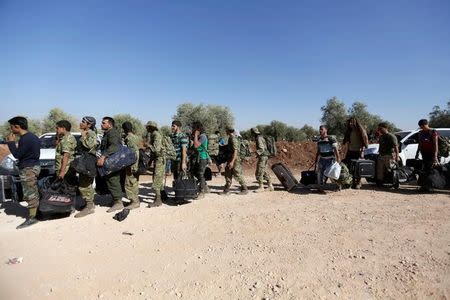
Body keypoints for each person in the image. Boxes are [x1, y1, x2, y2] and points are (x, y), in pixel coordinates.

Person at [6, 116, 41, 229]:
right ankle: (35, 213)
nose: (11, 130)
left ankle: (32, 218)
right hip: (32, 166)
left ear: (17, 126)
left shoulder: (25, 138)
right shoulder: (32, 137)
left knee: (30, 193)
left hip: (28, 168)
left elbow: (17, 155)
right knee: (32, 191)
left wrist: (11, 143)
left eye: (12, 127)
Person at [97, 117, 124, 212]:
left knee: (113, 180)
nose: (101, 124)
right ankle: (115, 200)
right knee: (110, 180)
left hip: (113, 161)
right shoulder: (108, 133)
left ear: (110, 124)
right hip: (110, 160)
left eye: (104, 123)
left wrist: (103, 156)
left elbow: (114, 146)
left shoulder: (113, 133)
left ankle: (118, 202)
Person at [74, 116, 98, 218]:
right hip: (85, 159)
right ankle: (89, 204)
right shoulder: (86, 133)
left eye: (84, 122)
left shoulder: (91, 133)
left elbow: (90, 145)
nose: (81, 123)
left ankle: (89, 206)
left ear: (89, 125)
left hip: (89, 160)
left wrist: (83, 136)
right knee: (84, 182)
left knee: (85, 184)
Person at [342, 117, 369, 189]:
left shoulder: (361, 131)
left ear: (355, 122)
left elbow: (365, 140)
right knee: (349, 167)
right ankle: (351, 181)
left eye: (352, 122)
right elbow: (346, 141)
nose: (350, 124)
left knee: (358, 167)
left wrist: (363, 150)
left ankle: (359, 182)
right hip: (350, 150)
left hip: (358, 151)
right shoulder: (349, 131)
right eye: (349, 122)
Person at [221, 127, 248, 195]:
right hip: (230, 158)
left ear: (228, 131)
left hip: (235, 159)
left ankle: (244, 189)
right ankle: (226, 189)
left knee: (237, 173)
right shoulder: (231, 138)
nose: (225, 132)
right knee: (228, 172)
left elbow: (235, 151)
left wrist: (232, 162)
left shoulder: (233, 139)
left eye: (226, 130)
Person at [121, 122, 141, 209]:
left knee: (129, 182)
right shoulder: (136, 137)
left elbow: (131, 153)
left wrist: (129, 165)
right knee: (134, 182)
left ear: (124, 129)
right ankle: (135, 200)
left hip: (132, 163)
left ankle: (135, 201)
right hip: (136, 162)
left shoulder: (129, 138)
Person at [145, 121, 166, 207]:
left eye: (148, 127)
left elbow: (156, 150)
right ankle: (163, 196)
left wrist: (148, 145)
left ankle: (158, 200)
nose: (147, 128)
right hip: (158, 159)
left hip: (160, 159)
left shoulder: (156, 135)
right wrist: (150, 161)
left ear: (151, 127)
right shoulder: (153, 134)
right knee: (157, 177)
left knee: (157, 178)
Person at [315, 125, 340, 194]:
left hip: (330, 160)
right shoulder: (319, 140)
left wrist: (338, 159)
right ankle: (320, 188)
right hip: (322, 160)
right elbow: (318, 151)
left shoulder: (331, 139)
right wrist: (316, 160)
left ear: (326, 130)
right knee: (320, 175)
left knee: (331, 174)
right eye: (319, 129)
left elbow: (336, 150)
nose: (320, 131)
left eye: (322, 129)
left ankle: (337, 185)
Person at [415, 119, 438, 192]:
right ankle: (424, 186)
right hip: (424, 153)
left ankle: (430, 187)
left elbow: (435, 144)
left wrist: (435, 156)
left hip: (432, 154)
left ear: (424, 125)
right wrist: (418, 153)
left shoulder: (433, 132)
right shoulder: (420, 133)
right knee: (424, 170)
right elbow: (420, 144)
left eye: (422, 126)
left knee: (431, 170)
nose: (421, 128)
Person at [376, 122, 399, 187]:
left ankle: (394, 182)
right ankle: (380, 183)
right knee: (379, 170)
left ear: (385, 128)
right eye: (378, 128)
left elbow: (396, 147)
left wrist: (397, 156)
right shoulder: (381, 137)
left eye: (380, 128)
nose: (379, 130)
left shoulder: (391, 136)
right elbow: (380, 146)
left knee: (391, 169)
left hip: (389, 156)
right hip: (381, 155)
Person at [251, 127, 273, 192]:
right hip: (265, 156)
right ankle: (270, 186)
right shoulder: (261, 136)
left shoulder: (258, 138)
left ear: (253, 133)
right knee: (264, 171)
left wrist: (255, 153)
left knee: (259, 171)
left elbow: (261, 148)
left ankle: (261, 187)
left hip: (263, 156)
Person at [192, 121, 209, 198]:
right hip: (198, 157)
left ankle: (202, 192)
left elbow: (196, 145)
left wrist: (195, 135)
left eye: (194, 128)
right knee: (196, 173)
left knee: (200, 174)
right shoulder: (200, 136)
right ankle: (205, 187)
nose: (192, 129)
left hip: (203, 157)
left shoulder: (203, 136)